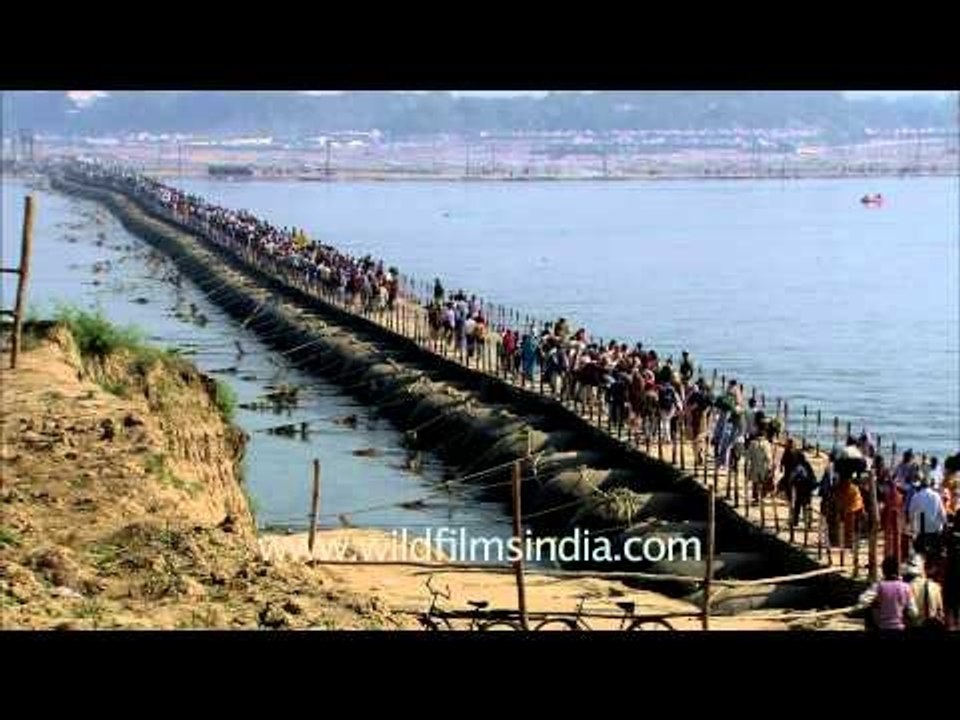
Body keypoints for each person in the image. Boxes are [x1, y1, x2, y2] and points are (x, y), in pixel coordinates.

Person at [859, 555, 918, 631]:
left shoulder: (878, 586)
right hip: (900, 627)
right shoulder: (906, 587)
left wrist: (875, 604)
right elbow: (914, 612)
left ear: (883, 571)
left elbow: (863, 600)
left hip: (882, 626)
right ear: (897, 570)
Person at [901, 555, 945, 630]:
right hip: (932, 626)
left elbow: (905, 612)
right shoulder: (935, 587)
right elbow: (940, 612)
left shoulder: (906, 588)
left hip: (914, 626)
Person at [907, 475, 947, 555]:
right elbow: (942, 514)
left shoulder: (916, 496)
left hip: (922, 531)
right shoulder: (937, 496)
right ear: (931, 485)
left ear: (921, 485)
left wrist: (912, 528)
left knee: (918, 551)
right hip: (935, 531)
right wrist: (944, 526)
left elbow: (911, 513)